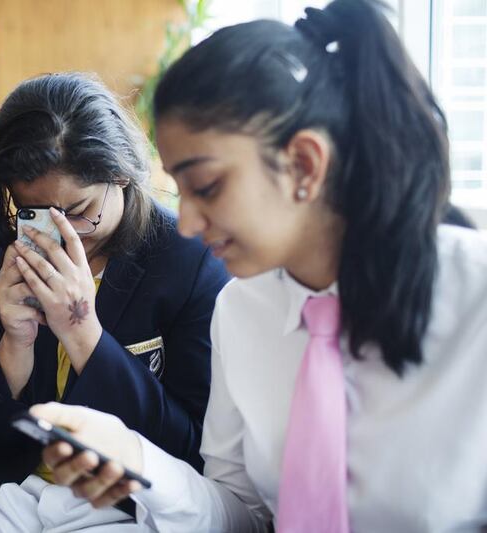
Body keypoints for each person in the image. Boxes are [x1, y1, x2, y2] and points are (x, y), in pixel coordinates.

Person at [35, 1, 487, 532]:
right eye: (181, 193)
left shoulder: (474, 299)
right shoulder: (242, 309)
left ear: (304, 164)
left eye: (206, 188)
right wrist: (138, 463)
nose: (187, 224)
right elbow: (245, 514)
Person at [0, 72, 229, 532]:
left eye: (79, 211)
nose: (62, 234)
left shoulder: (189, 260)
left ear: (121, 173)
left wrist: (84, 334)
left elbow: (190, 446)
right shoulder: (4, 258)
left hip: (126, 499)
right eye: (33, 213)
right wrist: (14, 347)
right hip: (12, 488)